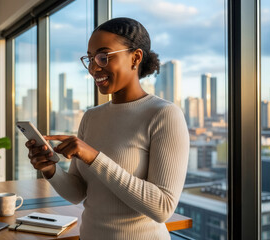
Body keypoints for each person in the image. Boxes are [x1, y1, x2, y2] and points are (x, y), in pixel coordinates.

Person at [25, 17, 189, 240]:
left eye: (103, 57)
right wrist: (51, 170)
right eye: (90, 58)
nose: (93, 68)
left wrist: (93, 157)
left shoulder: (164, 115)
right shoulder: (92, 117)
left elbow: (162, 207)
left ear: (135, 57)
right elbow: (77, 193)